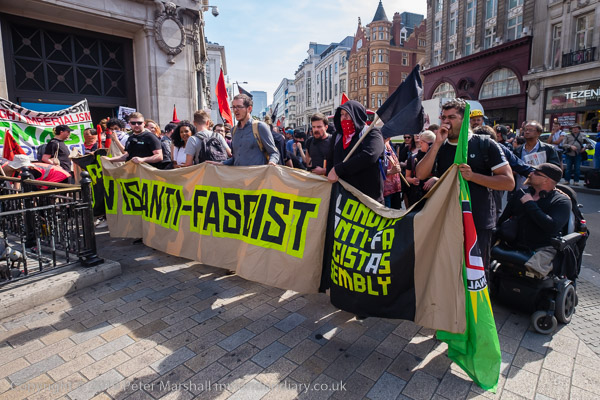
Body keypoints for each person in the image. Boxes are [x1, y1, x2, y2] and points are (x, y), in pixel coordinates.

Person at [415, 98, 514, 272]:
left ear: (465, 119)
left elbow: (508, 182)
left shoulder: (484, 144)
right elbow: (421, 174)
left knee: (475, 272)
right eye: (443, 117)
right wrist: (436, 144)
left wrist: (473, 176)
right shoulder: (441, 146)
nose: (446, 122)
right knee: (448, 271)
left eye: (452, 117)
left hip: (477, 221)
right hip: (447, 219)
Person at [497, 163, 571, 277]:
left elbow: (552, 226)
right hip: (514, 244)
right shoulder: (521, 194)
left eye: (536, 173)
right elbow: (502, 219)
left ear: (547, 180)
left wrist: (530, 204)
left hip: (542, 248)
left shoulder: (561, 201)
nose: (530, 174)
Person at [326, 100, 385, 204]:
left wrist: (339, 170)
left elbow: (369, 156)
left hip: (367, 199)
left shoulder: (372, 133)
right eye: (341, 114)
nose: (343, 118)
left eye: (347, 114)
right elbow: (330, 160)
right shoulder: (337, 136)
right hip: (343, 198)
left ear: (356, 116)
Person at [220, 94, 279, 166]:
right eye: (234, 107)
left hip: (257, 173)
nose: (235, 110)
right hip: (237, 173)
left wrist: (272, 162)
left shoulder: (260, 127)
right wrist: (221, 164)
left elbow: (274, 152)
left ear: (249, 109)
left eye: (239, 107)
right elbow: (235, 158)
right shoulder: (234, 130)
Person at [405, 131, 437, 207]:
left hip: (433, 194)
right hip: (417, 195)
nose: (432, 147)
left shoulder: (437, 157)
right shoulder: (413, 158)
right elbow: (407, 177)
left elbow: (445, 175)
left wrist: (435, 179)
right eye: (430, 144)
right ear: (421, 142)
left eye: (434, 144)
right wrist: (412, 180)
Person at [5, 154, 71, 184]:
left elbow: (33, 184)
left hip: (60, 176)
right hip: (62, 175)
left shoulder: (30, 170)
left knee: (46, 192)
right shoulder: (30, 168)